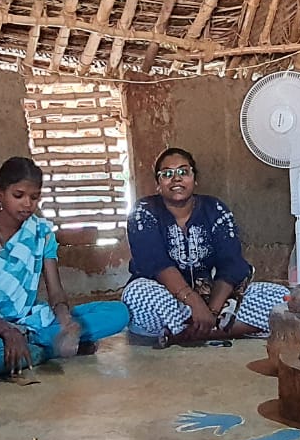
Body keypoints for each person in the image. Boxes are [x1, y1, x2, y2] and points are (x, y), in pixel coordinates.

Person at [0, 157, 129, 376]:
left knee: (118, 313)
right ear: (0, 193)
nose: (27, 204)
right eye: (19, 195)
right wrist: (8, 332)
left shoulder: (42, 233)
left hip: (31, 321)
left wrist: (66, 322)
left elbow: (55, 290)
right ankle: (47, 351)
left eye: (34, 197)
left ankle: (33, 345)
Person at [123, 147, 288, 347]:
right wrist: (193, 303)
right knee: (138, 294)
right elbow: (155, 263)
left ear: (195, 179)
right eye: (167, 174)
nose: (176, 179)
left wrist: (212, 310)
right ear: (158, 184)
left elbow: (231, 264)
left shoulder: (215, 210)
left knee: (280, 298)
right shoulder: (144, 212)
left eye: (184, 172)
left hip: (213, 298)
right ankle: (221, 330)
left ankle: (184, 334)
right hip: (166, 297)